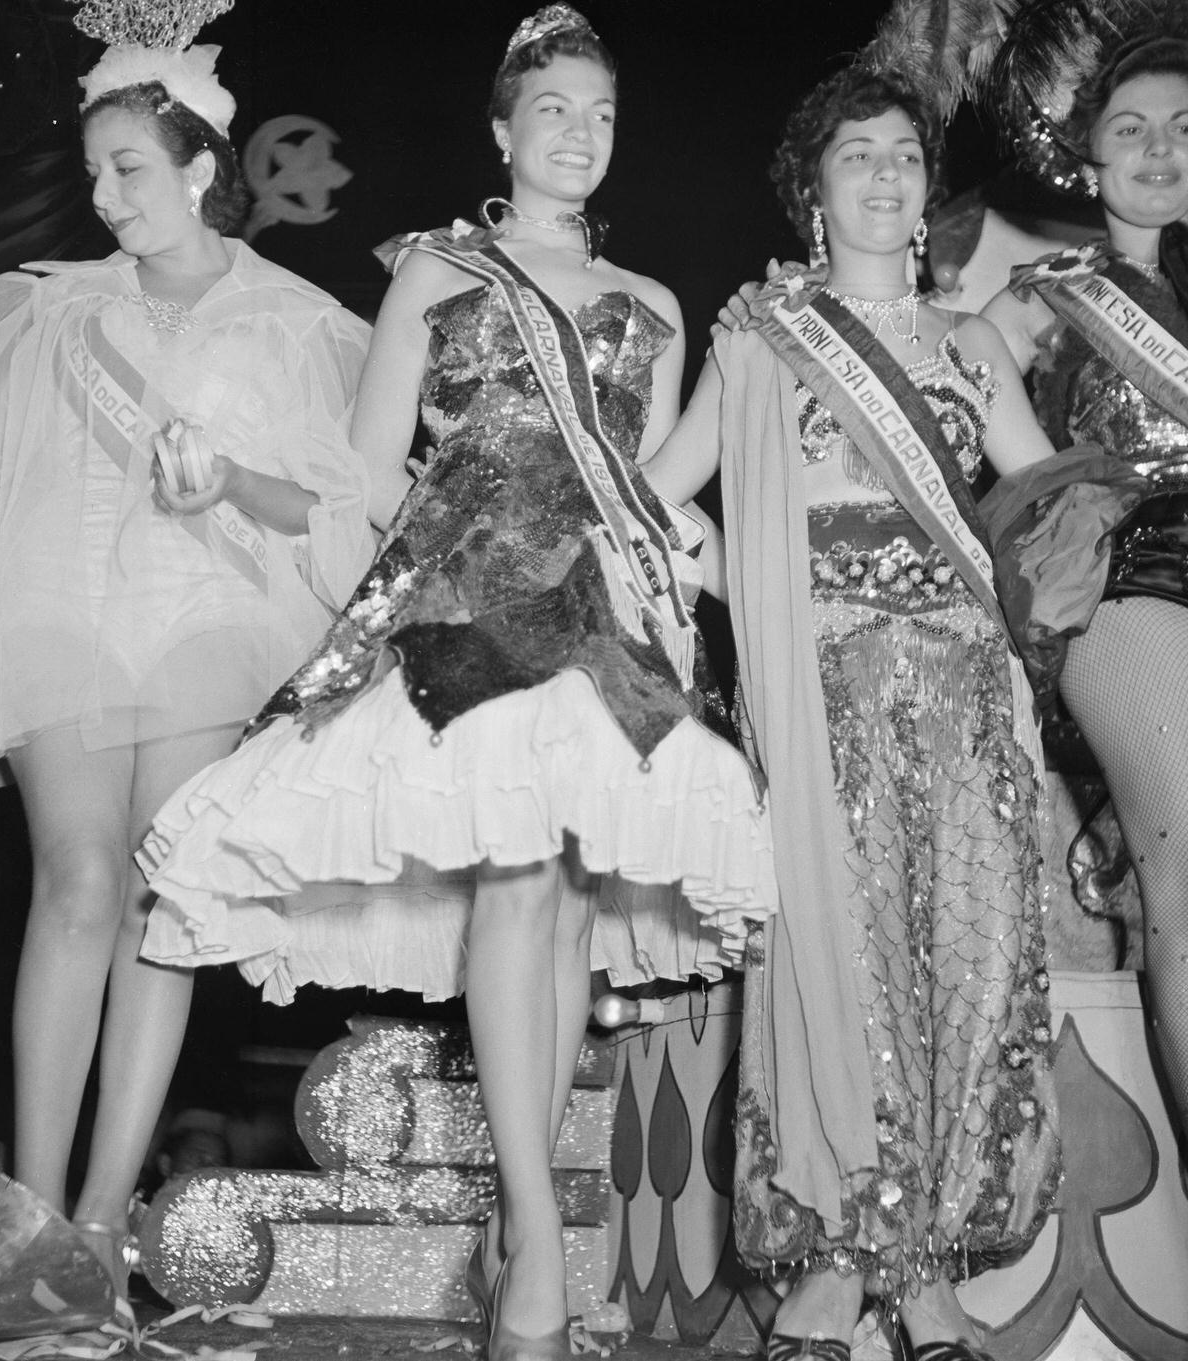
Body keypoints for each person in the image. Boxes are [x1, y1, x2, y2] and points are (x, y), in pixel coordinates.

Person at [136, 7, 774, 1357]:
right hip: (472, 592)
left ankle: (517, 1230)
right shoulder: (435, 271)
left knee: (558, 921)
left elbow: (651, 497)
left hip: (599, 613)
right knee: (521, 882)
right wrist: (242, 498)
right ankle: (538, 1243)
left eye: (601, 114)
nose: (579, 136)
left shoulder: (654, 307)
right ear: (501, 129)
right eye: (553, 111)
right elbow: (371, 474)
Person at [0, 38, 372, 1325]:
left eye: (128, 168)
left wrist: (227, 479)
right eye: (93, 172)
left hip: (206, 627)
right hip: (68, 609)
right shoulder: (54, 302)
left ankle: (101, 1223)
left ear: (198, 165)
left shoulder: (295, 322)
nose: (107, 195)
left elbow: (336, 516)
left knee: (154, 899)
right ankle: (32, 1213)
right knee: (73, 882)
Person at [642, 64, 1062, 1361]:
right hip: (825, 703)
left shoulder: (975, 343)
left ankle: (927, 1271)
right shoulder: (764, 338)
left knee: (965, 972)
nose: (884, 174)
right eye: (854, 157)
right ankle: (834, 1260)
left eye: (902, 155)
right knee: (841, 975)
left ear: (928, 188)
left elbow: (1050, 514)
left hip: (968, 700)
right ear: (812, 192)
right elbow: (664, 490)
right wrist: (723, 579)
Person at [980, 10, 1188, 1216]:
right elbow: (954, 356)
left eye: (1183, 129)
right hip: (1148, 569)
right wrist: (1055, 476)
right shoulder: (1050, 292)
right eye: (1129, 129)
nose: (1157, 148)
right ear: (1089, 158)